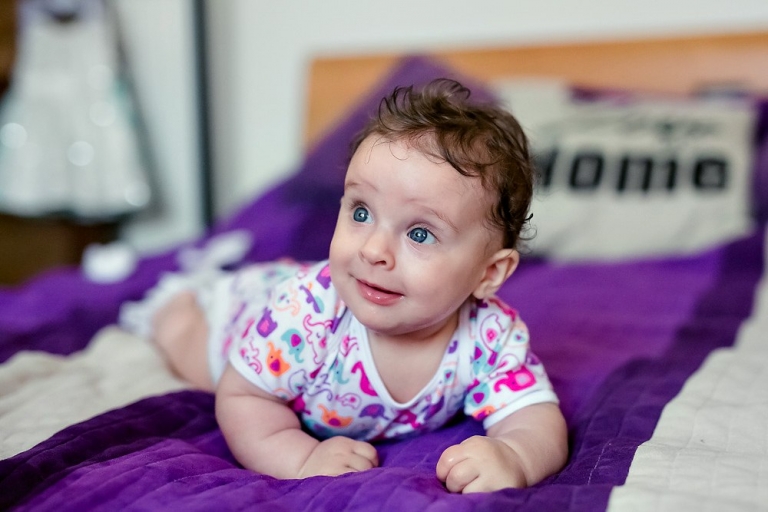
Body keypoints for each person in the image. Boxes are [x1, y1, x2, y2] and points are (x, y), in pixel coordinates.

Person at [119, 78, 568, 493]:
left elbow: (534, 416)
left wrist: (515, 456)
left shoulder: (488, 337)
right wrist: (302, 459)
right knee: (194, 355)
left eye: (419, 233)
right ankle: (178, 305)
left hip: (292, 292)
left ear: (488, 274)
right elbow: (244, 396)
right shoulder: (308, 315)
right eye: (361, 212)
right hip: (245, 314)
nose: (373, 250)